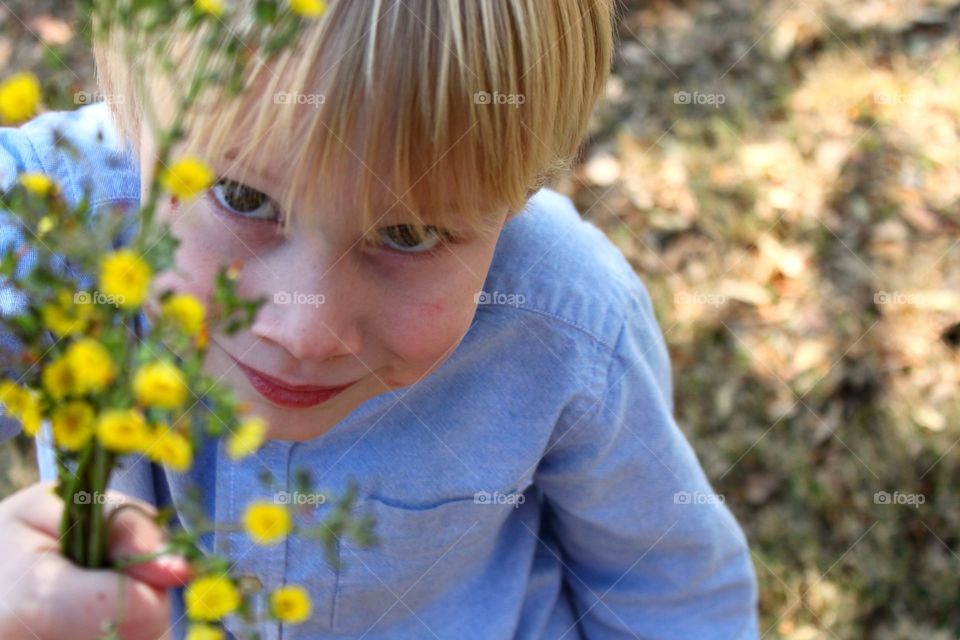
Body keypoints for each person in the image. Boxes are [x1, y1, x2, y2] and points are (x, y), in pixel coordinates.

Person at [0, 1, 759, 638]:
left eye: (407, 235)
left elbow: (671, 588)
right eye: (242, 199)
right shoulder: (51, 214)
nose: (305, 332)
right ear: (137, 116)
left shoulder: (564, 316)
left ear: (520, 193)